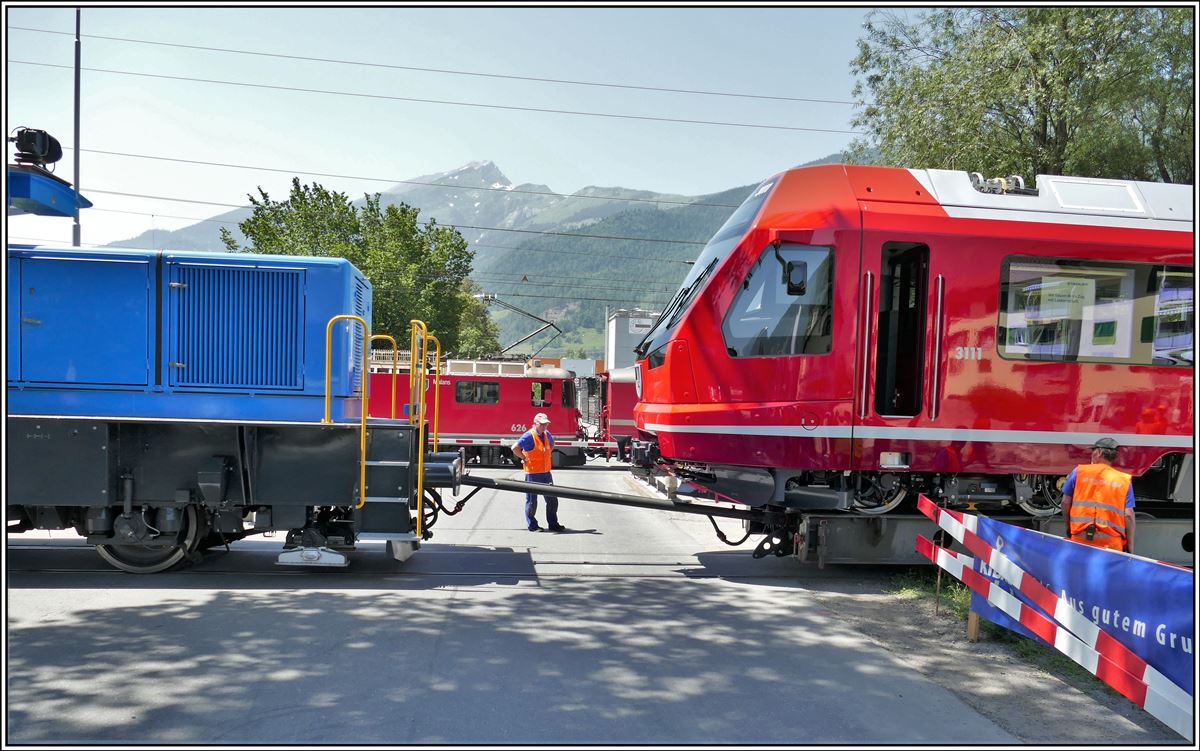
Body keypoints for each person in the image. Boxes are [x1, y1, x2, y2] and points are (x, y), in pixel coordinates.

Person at [1060, 437, 1135, 554]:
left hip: (1080, 537)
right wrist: (1130, 545)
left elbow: (1065, 502)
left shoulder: (1079, 471)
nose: (1091, 455)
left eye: (1093, 451)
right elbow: (1129, 515)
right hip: (1111, 542)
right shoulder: (1124, 480)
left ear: (1099, 452)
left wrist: (1069, 528)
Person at [511, 412, 566, 532]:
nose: (545, 426)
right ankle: (532, 525)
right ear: (535, 424)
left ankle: (553, 524)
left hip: (546, 473)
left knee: (552, 500)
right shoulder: (528, 436)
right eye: (542, 424)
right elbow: (514, 448)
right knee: (531, 501)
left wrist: (546, 455)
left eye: (546, 424)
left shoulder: (547, 434)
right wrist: (524, 458)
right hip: (533, 474)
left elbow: (551, 444)